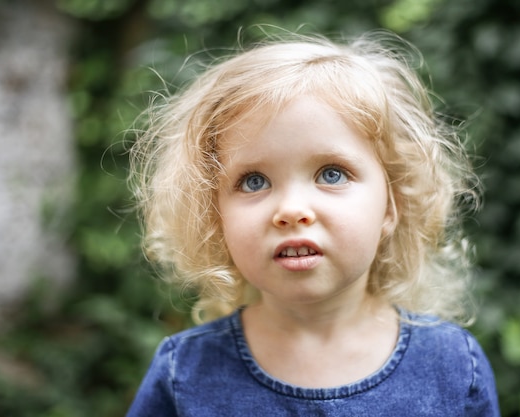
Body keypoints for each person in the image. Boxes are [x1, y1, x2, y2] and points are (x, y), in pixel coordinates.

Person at [126, 31, 499, 416]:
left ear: (392, 204)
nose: (290, 209)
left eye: (332, 174)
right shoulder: (184, 372)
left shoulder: (453, 366)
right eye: (254, 181)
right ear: (214, 215)